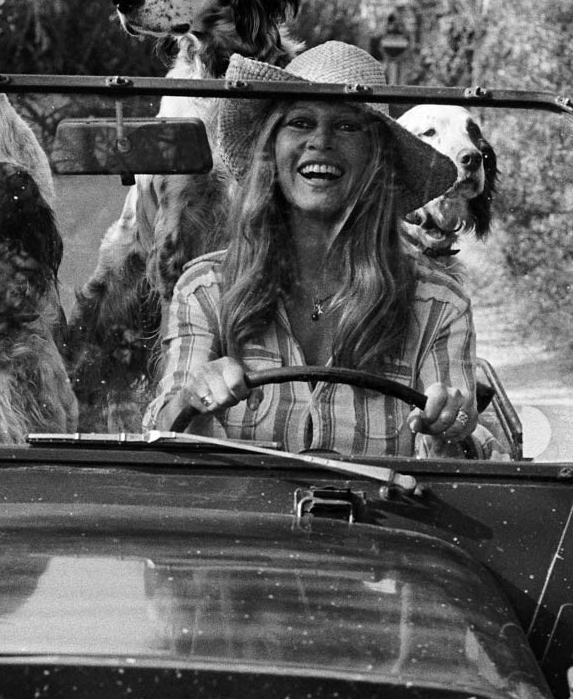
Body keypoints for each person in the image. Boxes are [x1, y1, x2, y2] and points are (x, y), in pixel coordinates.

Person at [143, 41, 479, 456]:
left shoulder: (437, 304)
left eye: (347, 126)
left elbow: (465, 452)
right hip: (242, 518)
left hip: (381, 517)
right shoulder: (206, 289)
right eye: (300, 122)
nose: (321, 141)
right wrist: (192, 397)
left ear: (378, 160)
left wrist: (453, 424)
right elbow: (162, 430)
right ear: (272, 151)